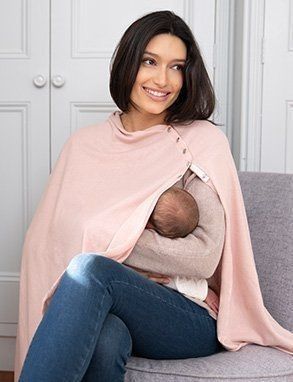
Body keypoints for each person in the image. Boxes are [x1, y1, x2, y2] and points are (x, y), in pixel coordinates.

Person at [16, 9, 293, 382]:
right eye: (150, 61)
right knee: (107, 338)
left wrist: (111, 245)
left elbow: (204, 257)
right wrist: (120, 245)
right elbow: (46, 246)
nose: (163, 80)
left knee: (89, 269)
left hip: (186, 317)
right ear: (127, 64)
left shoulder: (199, 142)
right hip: (109, 308)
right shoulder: (81, 147)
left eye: (176, 67)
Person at [144, 185, 219, 312]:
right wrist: (204, 292)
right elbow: (175, 281)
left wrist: (204, 292)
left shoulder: (158, 252)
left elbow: (170, 279)